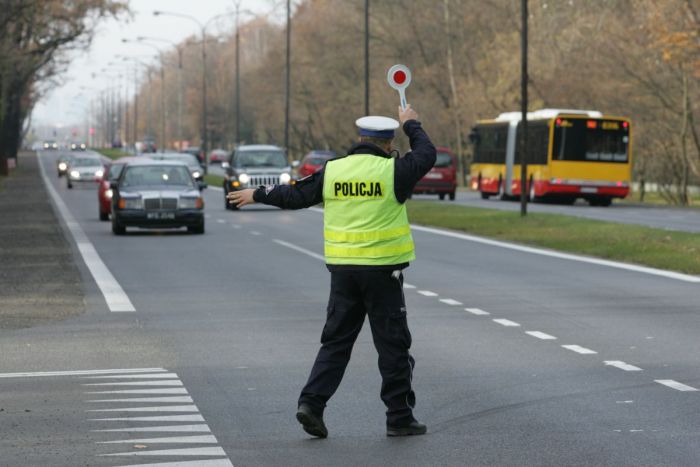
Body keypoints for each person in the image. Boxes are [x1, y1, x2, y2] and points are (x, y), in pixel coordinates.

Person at [227, 104, 436, 438]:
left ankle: (311, 403)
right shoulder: (393, 171)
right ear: (386, 143)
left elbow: (295, 194)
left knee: (336, 343)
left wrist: (258, 194)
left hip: (343, 273)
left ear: (359, 138)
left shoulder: (334, 170)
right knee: (393, 346)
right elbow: (427, 154)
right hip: (383, 273)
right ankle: (399, 417)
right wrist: (412, 123)